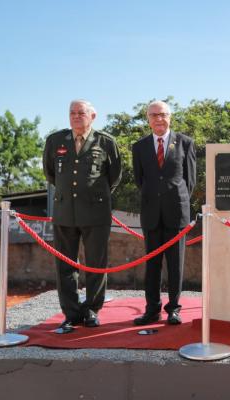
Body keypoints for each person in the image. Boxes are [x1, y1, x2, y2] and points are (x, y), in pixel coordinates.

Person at [43, 100, 122, 333]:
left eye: (81, 113)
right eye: (72, 113)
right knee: (65, 265)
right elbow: (50, 173)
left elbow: (114, 176)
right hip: (65, 211)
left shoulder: (106, 142)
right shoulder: (55, 140)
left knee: (95, 264)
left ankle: (91, 310)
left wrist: (94, 195)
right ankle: (71, 313)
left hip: (96, 213)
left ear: (93, 116)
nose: (76, 117)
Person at [132, 100, 196, 326]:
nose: (158, 119)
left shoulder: (185, 143)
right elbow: (140, 181)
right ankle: (152, 309)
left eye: (162, 114)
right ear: (148, 119)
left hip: (176, 212)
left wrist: (174, 200)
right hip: (151, 213)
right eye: (153, 115)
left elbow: (190, 181)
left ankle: (174, 309)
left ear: (170, 117)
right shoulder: (139, 147)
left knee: (175, 264)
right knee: (152, 266)